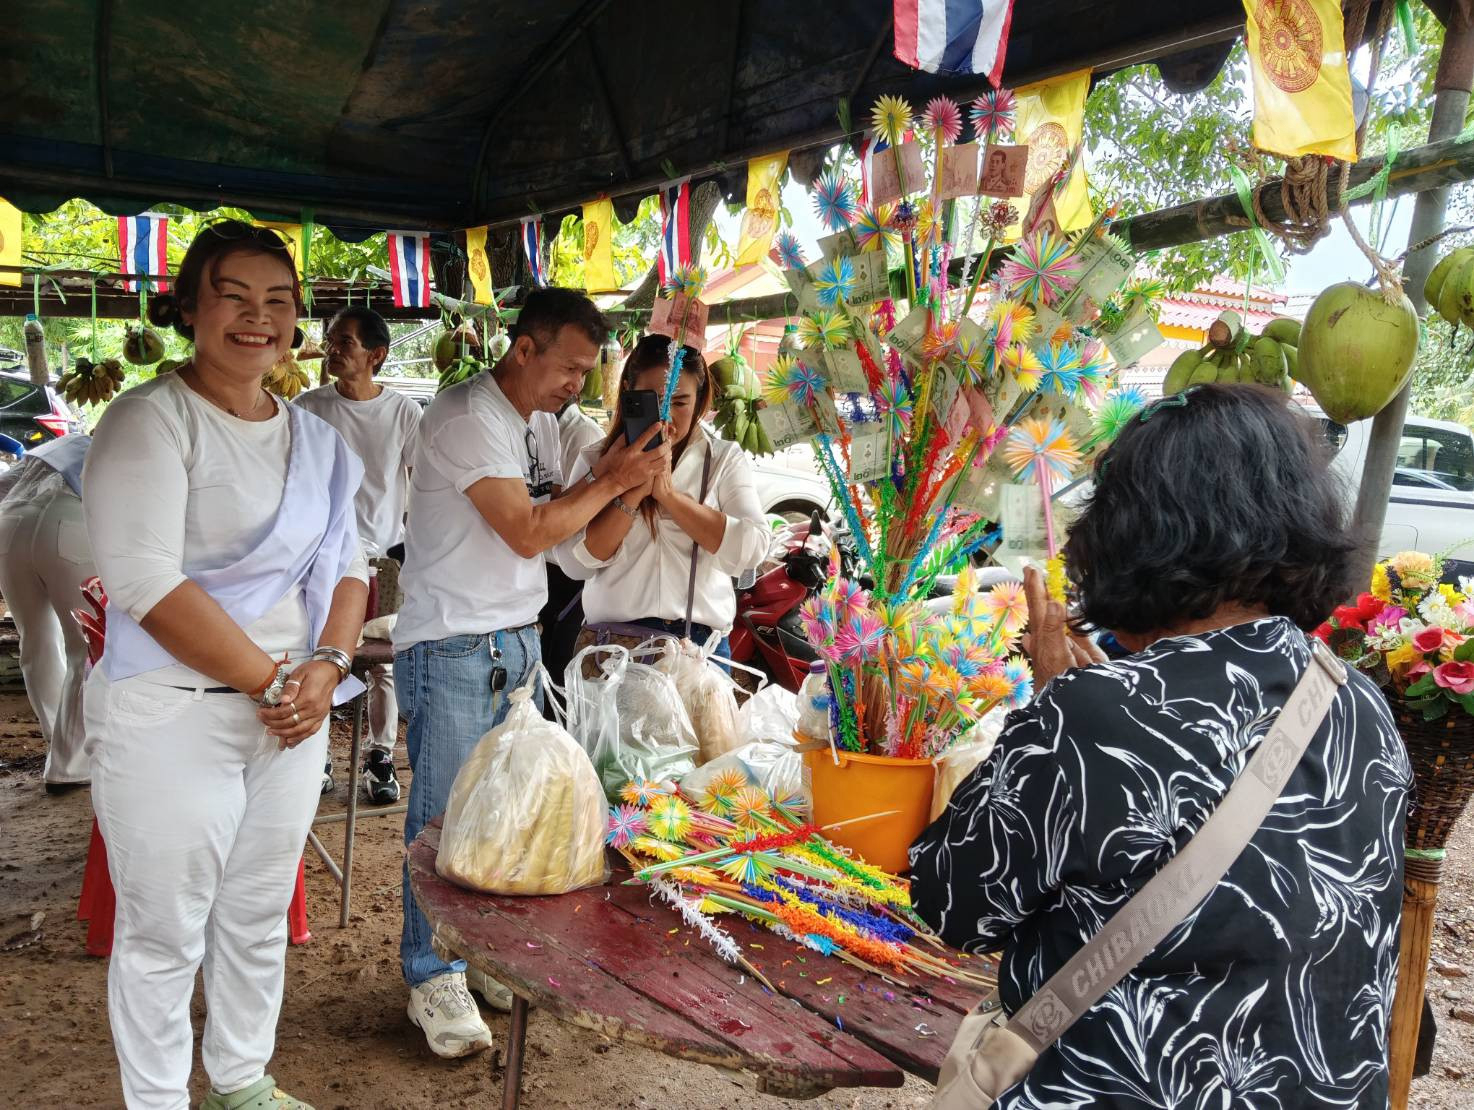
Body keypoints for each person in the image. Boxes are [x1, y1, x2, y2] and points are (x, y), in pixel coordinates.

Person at [909, 385, 1412, 1109]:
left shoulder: (1097, 715)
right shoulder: (1361, 704)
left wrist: (1052, 710)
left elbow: (951, 901)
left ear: (1133, 535)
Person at [82, 220, 368, 1110]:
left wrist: (327, 664)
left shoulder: (320, 441)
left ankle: (243, 1080)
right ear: (189, 308)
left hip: (288, 717)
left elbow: (349, 568)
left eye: (278, 302)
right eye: (234, 298)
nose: (259, 319)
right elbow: (143, 581)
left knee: (252, 916)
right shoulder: (148, 421)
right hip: (171, 715)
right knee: (165, 933)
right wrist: (279, 682)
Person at [393, 287, 667, 1059]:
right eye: (570, 369)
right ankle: (431, 975)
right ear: (524, 349)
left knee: (504, 814)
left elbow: (576, 550)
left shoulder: (541, 427)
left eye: (588, 373)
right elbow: (525, 532)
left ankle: (475, 957)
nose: (576, 386)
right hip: (451, 648)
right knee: (441, 824)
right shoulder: (467, 417)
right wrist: (610, 483)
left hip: (514, 644)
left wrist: (633, 478)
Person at [557, 334, 768, 661]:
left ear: (700, 400)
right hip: (614, 647)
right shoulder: (598, 460)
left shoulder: (723, 459)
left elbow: (752, 548)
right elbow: (573, 562)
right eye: (654, 401)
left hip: (697, 652)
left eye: (680, 402)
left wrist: (668, 496)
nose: (666, 416)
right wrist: (629, 492)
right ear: (628, 393)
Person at [295, 306, 421, 804]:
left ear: (377, 355)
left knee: (380, 663)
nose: (333, 348)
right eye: (330, 338)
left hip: (384, 556)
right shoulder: (307, 409)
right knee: (321, 650)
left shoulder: (403, 413)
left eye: (344, 340)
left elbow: (423, 486)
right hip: (321, 554)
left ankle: (380, 755)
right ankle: (318, 756)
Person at [0, 433, 95, 792]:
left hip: (10, 524)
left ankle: (57, 741)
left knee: (36, 644)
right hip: (69, 521)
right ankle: (70, 765)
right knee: (85, 647)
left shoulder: (51, 447)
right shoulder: (114, 448)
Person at [538, 396, 607, 695]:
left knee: (557, 668)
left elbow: (576, 512)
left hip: (567, 572)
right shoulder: (540, 425)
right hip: (544, 565)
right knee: (543, 662)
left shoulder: (584, 433)